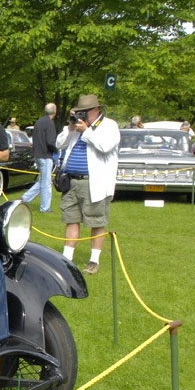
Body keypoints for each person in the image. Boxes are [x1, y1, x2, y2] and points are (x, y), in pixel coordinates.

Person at [55, 94, 120, 275]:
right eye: (79, 112)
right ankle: (67, 258)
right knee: (71, 218)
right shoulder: (76, 127)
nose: (82, 116)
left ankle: (94, 260)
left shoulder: (109, 126)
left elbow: (105, 146)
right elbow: (59, 144)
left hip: (94, 182)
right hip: (72, 180)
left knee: (96, 220)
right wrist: (70, 127)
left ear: (96, 110)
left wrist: (86, 131)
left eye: (85, 112)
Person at [20, 103, 58, 213]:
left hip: (37, 154)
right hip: (46, 155)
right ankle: (45, 208)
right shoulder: (49, 123)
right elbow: (50, 142)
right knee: (46, 183)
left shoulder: (38, 122)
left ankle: (24, 198)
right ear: (55, 111)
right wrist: (56, 150)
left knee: (43, 181)